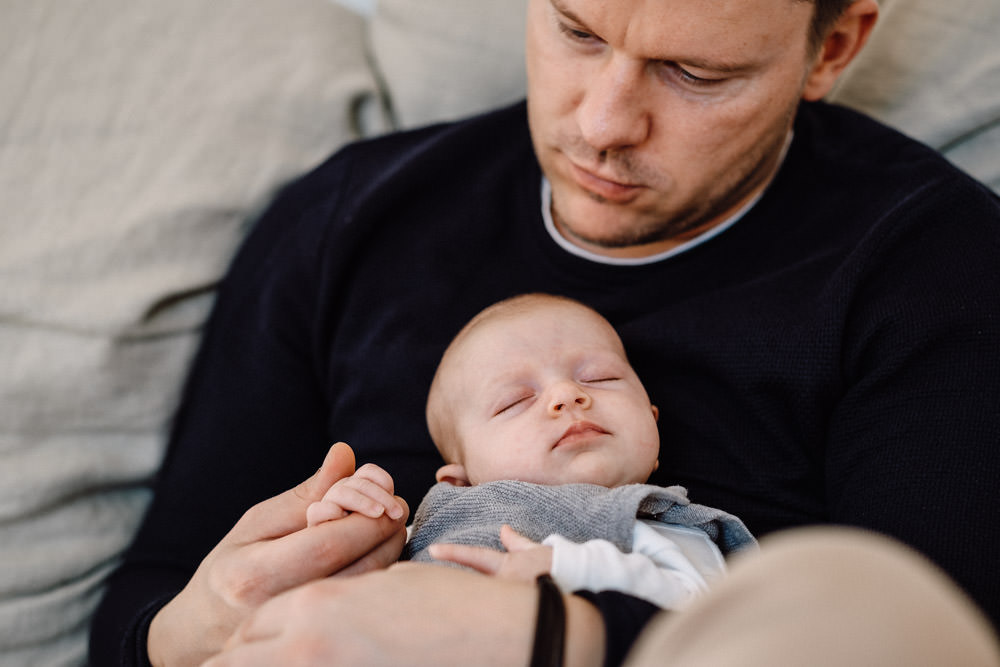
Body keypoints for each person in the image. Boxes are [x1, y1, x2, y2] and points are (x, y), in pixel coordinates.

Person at [90, 0, 1000, 665]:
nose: (603, 125)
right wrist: (200, 620)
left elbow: (929, 634)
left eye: (696, 73)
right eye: (576, 31)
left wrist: (549, 635)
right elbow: (142, 605)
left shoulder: (930, 264)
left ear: (829, 49)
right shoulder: (350, 222)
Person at [307, 294, 758, 610]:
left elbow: (704, 613)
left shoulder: (664, 526)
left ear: (652, 427)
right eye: (514, 401)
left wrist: (572, 568)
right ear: (461, 482)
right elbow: (344, 605)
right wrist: (342, 539)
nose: (567, 394)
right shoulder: (433, 527)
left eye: (600, 377)